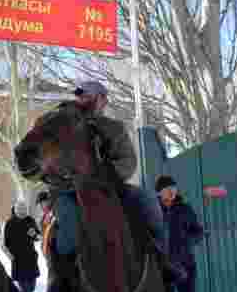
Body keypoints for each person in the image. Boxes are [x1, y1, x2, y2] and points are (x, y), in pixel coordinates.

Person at [53, 81, 175, 276]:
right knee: (68, 222)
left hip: (109, 186)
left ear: (102, 100)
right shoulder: (63, 126)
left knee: (149, 201)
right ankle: (60, 278)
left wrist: (105, 176)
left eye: (88, 96)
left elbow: (129, 161)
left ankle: (163, 259)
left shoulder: (113, 128)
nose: (82, 100)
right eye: (80, 96)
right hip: (71, 190)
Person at [155, 175, 206, 292]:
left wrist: (188, 241)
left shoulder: (185, 209)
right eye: (168, 189)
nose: (172, 191)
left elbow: (198, 232)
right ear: (159, 192)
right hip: (164, 269)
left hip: (186, 267)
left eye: (174, 188)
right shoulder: (153, 211)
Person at [3, 201, 41, 292]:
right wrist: (10, 256)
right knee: (25, 290)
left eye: (24, 208)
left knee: (32, 287)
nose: (22, 211)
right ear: (15, 210)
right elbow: (4, 243)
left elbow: (38, 237)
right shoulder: (10, 223)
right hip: (18, 261)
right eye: (19, 209)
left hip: (31, 260)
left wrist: (34, 234)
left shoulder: (31, 220)